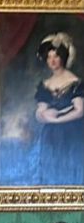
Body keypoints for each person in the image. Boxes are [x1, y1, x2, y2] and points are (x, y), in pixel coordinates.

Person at [35, 33, 84, 186]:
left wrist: (57, 119)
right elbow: (40, 111)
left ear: (63, 57)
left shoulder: (74, 81)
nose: (52, 61)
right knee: (50, 170)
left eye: (56, 56)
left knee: (71, 169)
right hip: (50, 136)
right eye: (49, 57)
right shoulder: (45, 84)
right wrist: (43, 116)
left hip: (72, 133)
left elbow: (80, 110)